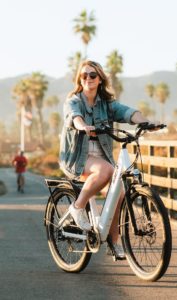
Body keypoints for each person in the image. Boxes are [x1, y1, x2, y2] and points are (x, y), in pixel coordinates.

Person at [59, 60, 159, 258]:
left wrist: (146, 122)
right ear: (80, 78)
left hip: (102, 158)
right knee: (107, 171)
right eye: (84, 75)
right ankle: (77, 208)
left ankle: (113, 242)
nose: (88, 78)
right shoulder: (73, 101)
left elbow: (128, 112)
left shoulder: (107, 104)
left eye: (92, 75)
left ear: (100, 79)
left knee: (119, 193)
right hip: (78, 158)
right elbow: (74, 116)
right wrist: (82, 126)